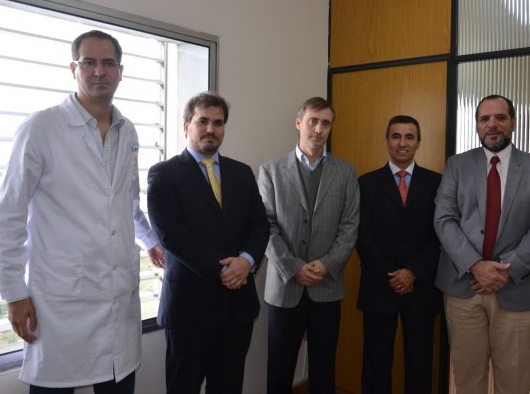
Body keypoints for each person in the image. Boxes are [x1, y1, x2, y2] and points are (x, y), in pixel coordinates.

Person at [0, 30, 165, 393]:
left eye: (108, 63)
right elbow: (8, 219)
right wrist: (14, 293)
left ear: (120, 71)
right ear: (74, 69)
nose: (99, 71)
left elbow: (127, 201)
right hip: (61, 303)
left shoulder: (128, 131)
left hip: (118, 298)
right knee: (55, 384)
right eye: (89, 62)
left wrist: (150, 240)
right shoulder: (41, 128)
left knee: (118, 382)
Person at [434, 94, 530, 394]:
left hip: (520, 288)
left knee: (513, 380)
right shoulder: (456, 165)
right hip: (464, 288)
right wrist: (476, 266)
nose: (492, 124)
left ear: (513, 123)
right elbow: (444, 219)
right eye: (485, 119)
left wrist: (504, 270)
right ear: (477, 125)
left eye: (500, 118)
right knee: (467, 378)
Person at [146, 92, 270, 394]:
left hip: (236, 308)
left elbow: (260, 224)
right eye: (203, 121)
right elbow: (171, 235)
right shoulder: (164, 174)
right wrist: (224, 270)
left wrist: (247, 261)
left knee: (229, 386)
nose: (211, 129)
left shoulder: (242, 173)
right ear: (186, 126)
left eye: (218, 122)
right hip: (189, 309)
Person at [258, 96, 360, 394]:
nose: (318, 129)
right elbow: (265, 226)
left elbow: (350, 226)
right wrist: (293, 268)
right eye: (313, 121)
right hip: (284, 286)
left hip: (326, 287)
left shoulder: (345, 172)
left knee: (323, 371)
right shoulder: (271, 170)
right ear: (298, 123)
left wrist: (327, 265)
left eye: (325, 123)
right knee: (279, 371)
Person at [356, 115, 442, 394]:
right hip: (379, 285)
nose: (402, 143)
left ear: (418, 142)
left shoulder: (437, 183)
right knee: (376, 360)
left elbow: (441, 234)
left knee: (420, 360)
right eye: (396, 136)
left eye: (409, 137)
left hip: (421, 287)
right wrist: (392, 273)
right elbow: (363, 235)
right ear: (386, 141)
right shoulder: (366, 183)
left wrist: (413, 271)